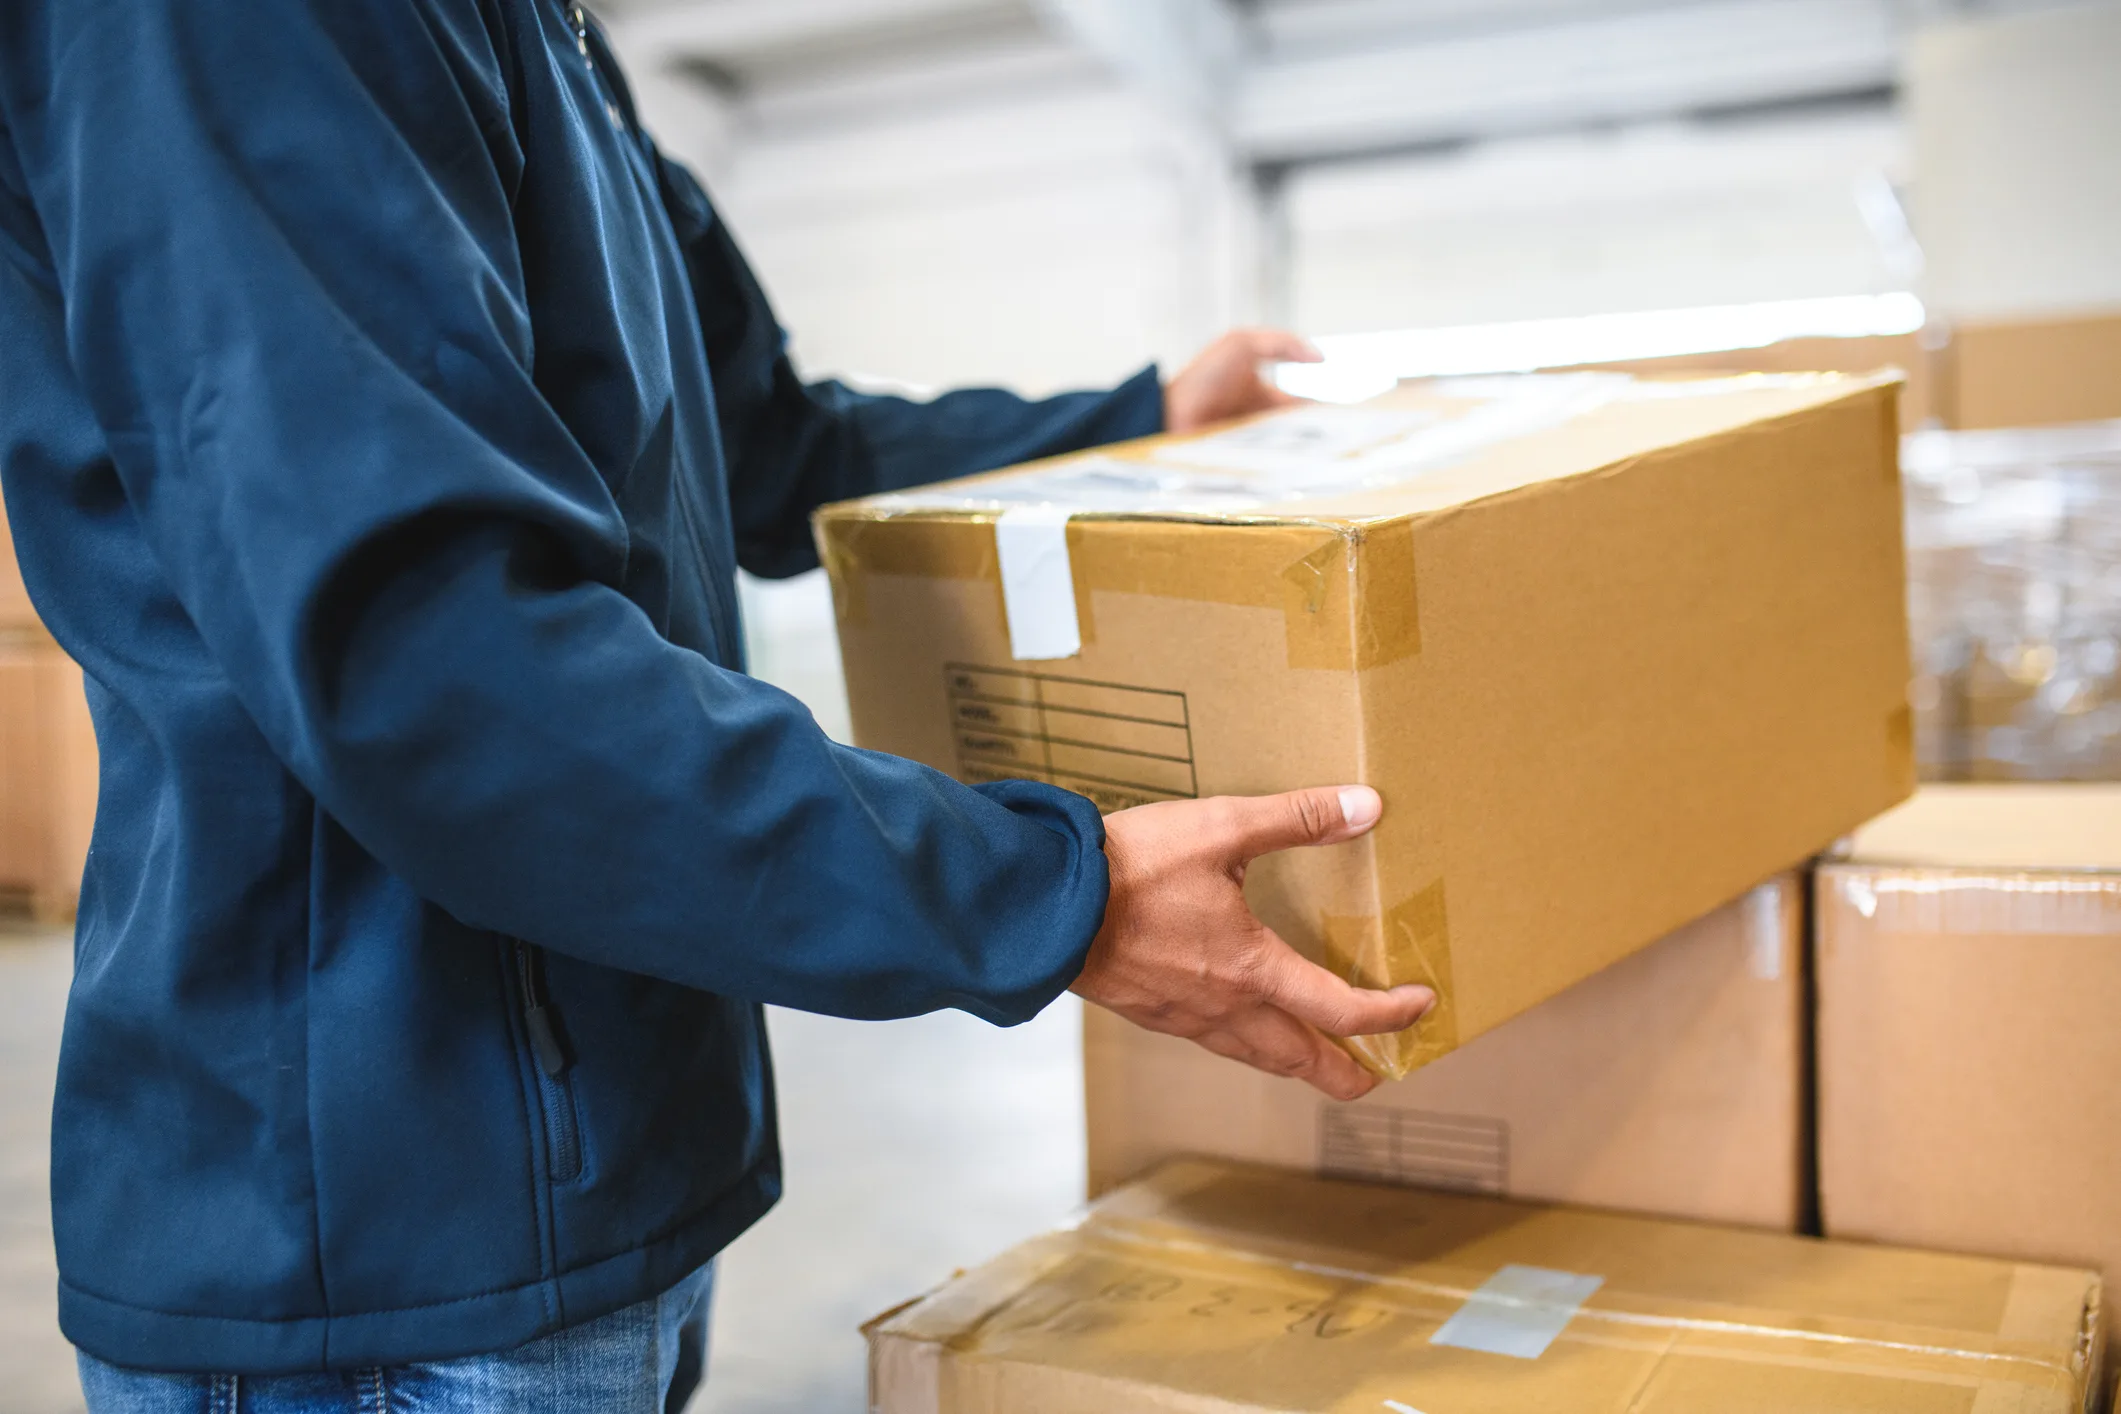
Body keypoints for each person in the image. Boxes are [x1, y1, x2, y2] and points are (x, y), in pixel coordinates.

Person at [0, 1, 1436, 1409]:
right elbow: (435, 671)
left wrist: (1137, 420)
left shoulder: (548, 39)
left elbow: (777, 445)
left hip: (605, 1168)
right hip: (384, 1235)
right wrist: (1056, 895)